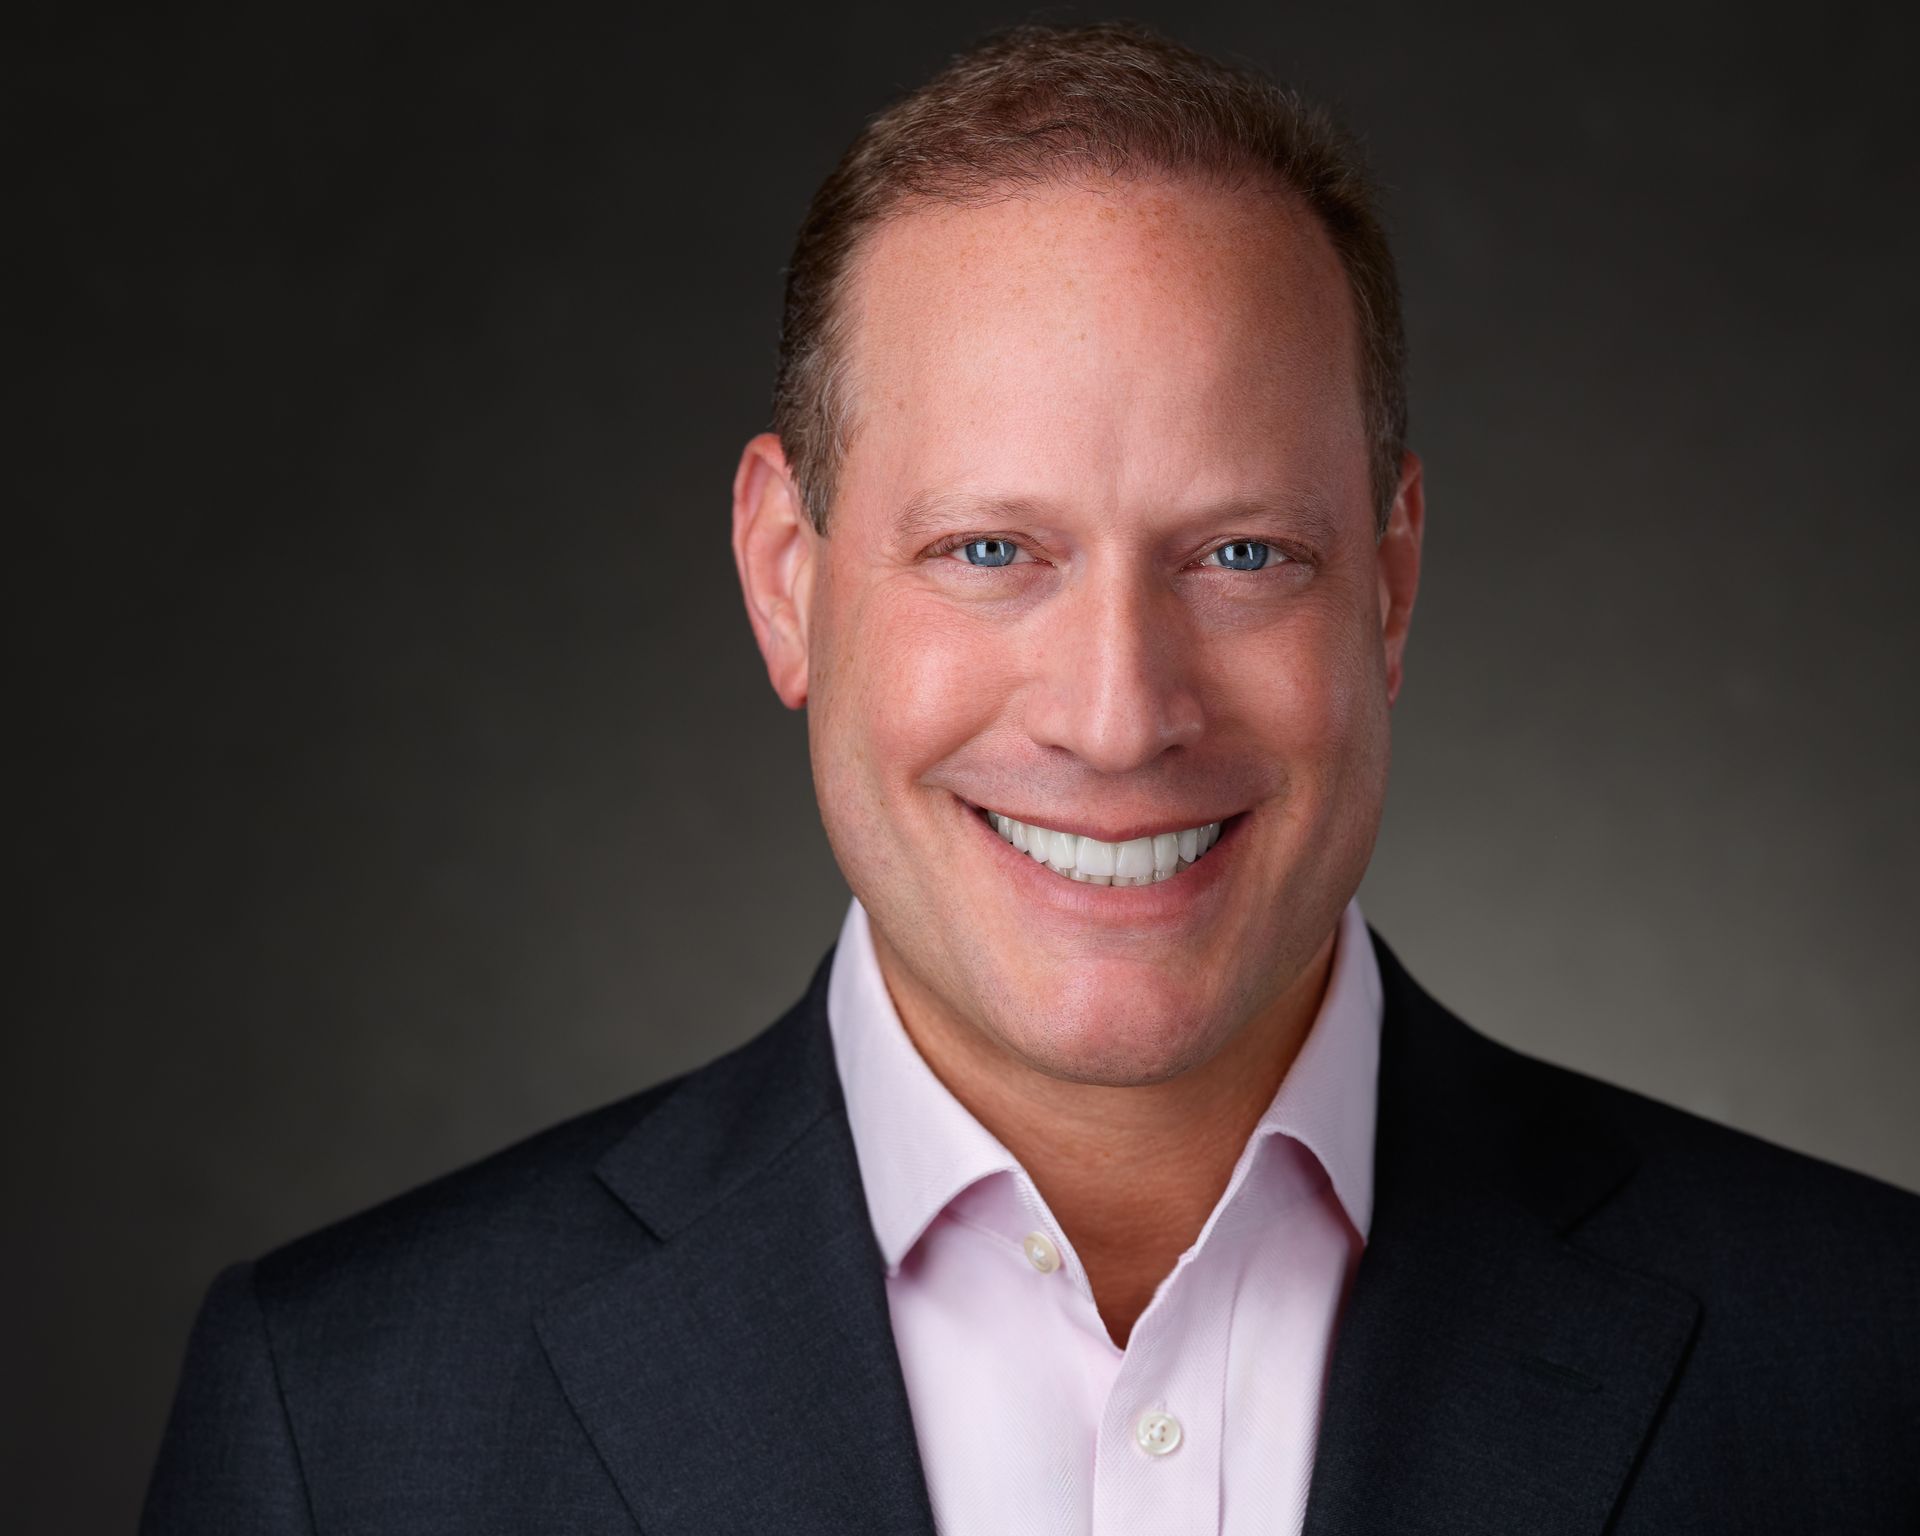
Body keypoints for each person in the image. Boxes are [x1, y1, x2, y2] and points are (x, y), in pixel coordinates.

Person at [142, 21, 1918, 1535]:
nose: (1118, 714)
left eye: (1240, 556)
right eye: (993, 551)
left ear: (1389, 586)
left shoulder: (1867, 1369)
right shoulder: (344, 1427)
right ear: (787, 579)